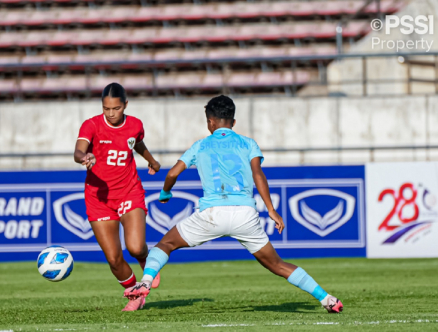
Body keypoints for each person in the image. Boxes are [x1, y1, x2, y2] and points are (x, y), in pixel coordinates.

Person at [123, 95, 343, 313]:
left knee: (165, 245)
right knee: (277, 265)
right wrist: (271, 210)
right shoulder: (248, 143)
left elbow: (172, 173)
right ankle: (327, 299)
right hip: (245, 215)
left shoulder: (200, 145)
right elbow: (258, 174)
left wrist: (165, 192)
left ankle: (146, 282)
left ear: (210, 122)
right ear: (233, 122)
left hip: (211, 215)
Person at [74, 82, 161, 312]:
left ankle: (146, 260)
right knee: (113, 258)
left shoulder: (135, 124)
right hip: (98, 198)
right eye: (106, 108)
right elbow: (78, 150)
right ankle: (136, 294)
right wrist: (84, 157)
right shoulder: (91, 125)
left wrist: (150, 160)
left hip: (129, 190)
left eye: (116, 108)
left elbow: (136, 142)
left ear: (125, 105)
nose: (111, 114)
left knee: (134, 247)